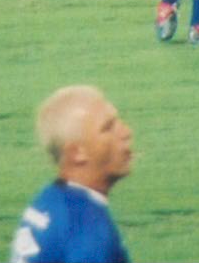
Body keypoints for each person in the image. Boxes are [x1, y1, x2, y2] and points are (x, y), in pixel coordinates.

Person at [10, 86, 133, 263]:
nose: (126, 133)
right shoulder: (87, 231)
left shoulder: (50, 199)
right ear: (77, 153)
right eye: (108, 128)